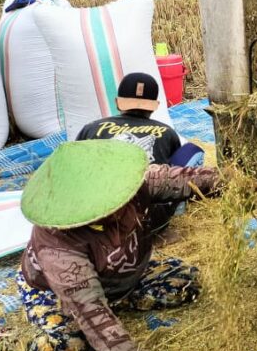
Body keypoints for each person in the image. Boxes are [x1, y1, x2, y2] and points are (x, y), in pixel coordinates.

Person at [17, 139, 220, 351]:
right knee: (68, 347)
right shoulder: (57, 243)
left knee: (184, 281)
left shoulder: (136, 183)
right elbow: (87, 304)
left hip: (120, 276)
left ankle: (114, 305)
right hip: (56, 293)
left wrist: (230, 182)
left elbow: (184, 179)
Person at [77, 72, 202, 234]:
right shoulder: (167, 132)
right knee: (191, 151)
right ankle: (178, 210)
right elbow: (173, 174)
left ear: (117, 102)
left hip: (97, 217)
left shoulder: (91, 128)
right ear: (155, 105)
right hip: (149, 221)